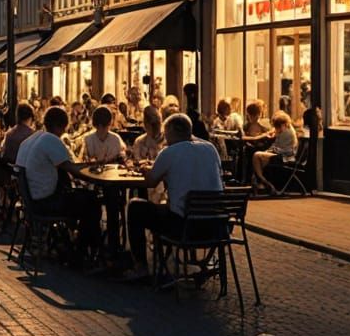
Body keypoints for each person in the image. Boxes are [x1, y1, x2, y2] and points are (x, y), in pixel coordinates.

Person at [124, 113, 223, 281]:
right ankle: (168, 261)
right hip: (216, 227)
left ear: (170, 131)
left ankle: (140, 266)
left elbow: (151, 182)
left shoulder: (169, 152)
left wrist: (146, 169)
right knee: (169, 205)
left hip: (182, 226)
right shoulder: (210, 149)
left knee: (135, 207)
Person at [14, 106, 101, 263]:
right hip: (45, 202)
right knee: (92, 202)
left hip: (32, 200)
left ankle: (73, 245)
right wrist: (93, 166)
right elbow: (71, 169)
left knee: (84, 199)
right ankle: (82, 253)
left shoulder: (33, 139)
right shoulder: (51, 140)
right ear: (60, 126)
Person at [251, 110, 297, 195]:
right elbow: (276, 145)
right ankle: (263, 181)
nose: (276, 129)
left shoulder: (286, 133)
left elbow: (284, 149)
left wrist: (271, 150)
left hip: (285, 157)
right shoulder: (286, 130)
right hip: (282, 154)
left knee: (257, 156)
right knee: (258, 157)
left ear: (282, 125)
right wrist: (269, 151)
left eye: (277, 127)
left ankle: (262, 181)